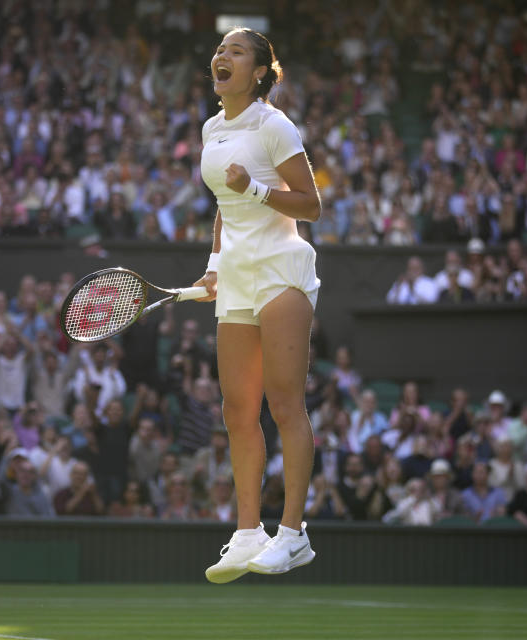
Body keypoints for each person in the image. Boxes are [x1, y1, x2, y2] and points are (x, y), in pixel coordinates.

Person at [191, 28, 322, 582]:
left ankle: (292, 535)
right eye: (221, 49)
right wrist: (216, 265)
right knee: (237, 410)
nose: (222, 56)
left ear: (261, 72)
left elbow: (311, 206)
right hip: (239, 273)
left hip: (281, 268)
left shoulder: (274, 125)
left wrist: (257, 190)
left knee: (284, 405)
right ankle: (248, 534)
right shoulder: (211, 128)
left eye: (236, 51)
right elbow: (224, 205)